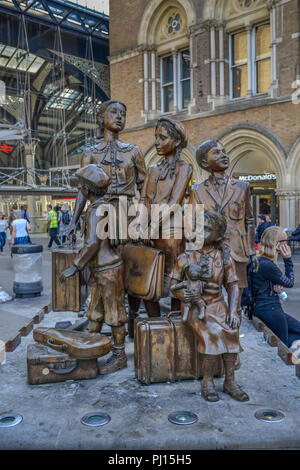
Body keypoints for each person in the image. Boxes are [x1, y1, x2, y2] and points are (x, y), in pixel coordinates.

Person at [61, 99, 146, 375]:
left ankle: (130, 324)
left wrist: (142, 217)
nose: (119, 117)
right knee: (104, 278)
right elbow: (83, 191)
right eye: (113, 112)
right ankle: (97, 340)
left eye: (123, 113)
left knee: (129, 276)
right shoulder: (90, 153)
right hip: (100, 216)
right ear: (101, 118)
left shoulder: (134, 152)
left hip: (126, 215)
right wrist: (74, 220)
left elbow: (144, 187)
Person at [170, 210, 249, 403]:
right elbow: (172, 286)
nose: (200, 232)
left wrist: (232, 310)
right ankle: (207, 381)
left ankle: (230, 381)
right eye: (198, 228)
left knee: (231, 329)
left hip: (218, 304)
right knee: (212, 332)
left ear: (218, 234)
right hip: (195, 307)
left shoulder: (223, 257)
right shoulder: (185, 257)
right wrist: (182, 294)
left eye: (206, 229)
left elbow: (233, 285)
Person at [132, 116, 193, 319]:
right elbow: (144, 200)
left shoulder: (184, 168)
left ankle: (175, 321)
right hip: (150, 231)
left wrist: (152, 226)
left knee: (175, 278)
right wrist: (141, 226)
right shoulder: (152, 169)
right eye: (156, 137)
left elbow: (175, 201)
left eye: (162, 137)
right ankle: (154, 323)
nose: (157, 142)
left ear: (175, 142)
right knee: (148, 276)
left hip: (171, 231)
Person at [188, 139, 256, 314]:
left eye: (224, 151)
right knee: (209, 297)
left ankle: (234, 332)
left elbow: (249, 220)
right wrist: (192, 253)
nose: (223, 155)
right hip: (209, 251)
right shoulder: (197, 190)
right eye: (216, 152)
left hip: (236, 249)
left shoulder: (242, 187)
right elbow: (192, 224)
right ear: (204, 162)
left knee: (237, 299)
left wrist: (251, 250)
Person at [251, 225, 300, 349]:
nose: (287, 244)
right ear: (277, 244)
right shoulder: (267, 264)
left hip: (266, 308)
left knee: (296, 332)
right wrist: (288, 260)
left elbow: (259, 282)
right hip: (270, 310)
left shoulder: (260, 260)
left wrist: (273, 286)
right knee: (284, 344)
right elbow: (290, 282)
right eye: (286, 241)